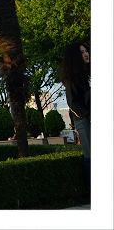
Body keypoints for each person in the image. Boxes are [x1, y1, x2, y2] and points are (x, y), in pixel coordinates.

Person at [61, 40, 91, 189]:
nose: (86, 54)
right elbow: (73, 103)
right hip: (84, 120)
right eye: (82, 52)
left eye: (86, 51)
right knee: (90, 154)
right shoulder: (72, 79)